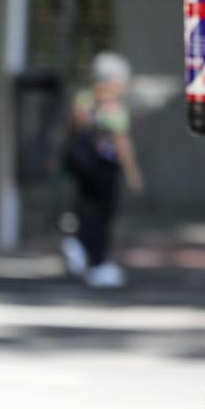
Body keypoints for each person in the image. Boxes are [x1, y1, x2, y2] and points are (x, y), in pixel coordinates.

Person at [60, 51, 143, 289]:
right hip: (105, 169)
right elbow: (121, 142)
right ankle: (97, 262)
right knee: (102, 215)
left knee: (85, 210)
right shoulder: (114, 107)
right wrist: (132, 172)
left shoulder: (84, 99)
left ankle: (79, 245)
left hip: (82, 166)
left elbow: (75, 126)